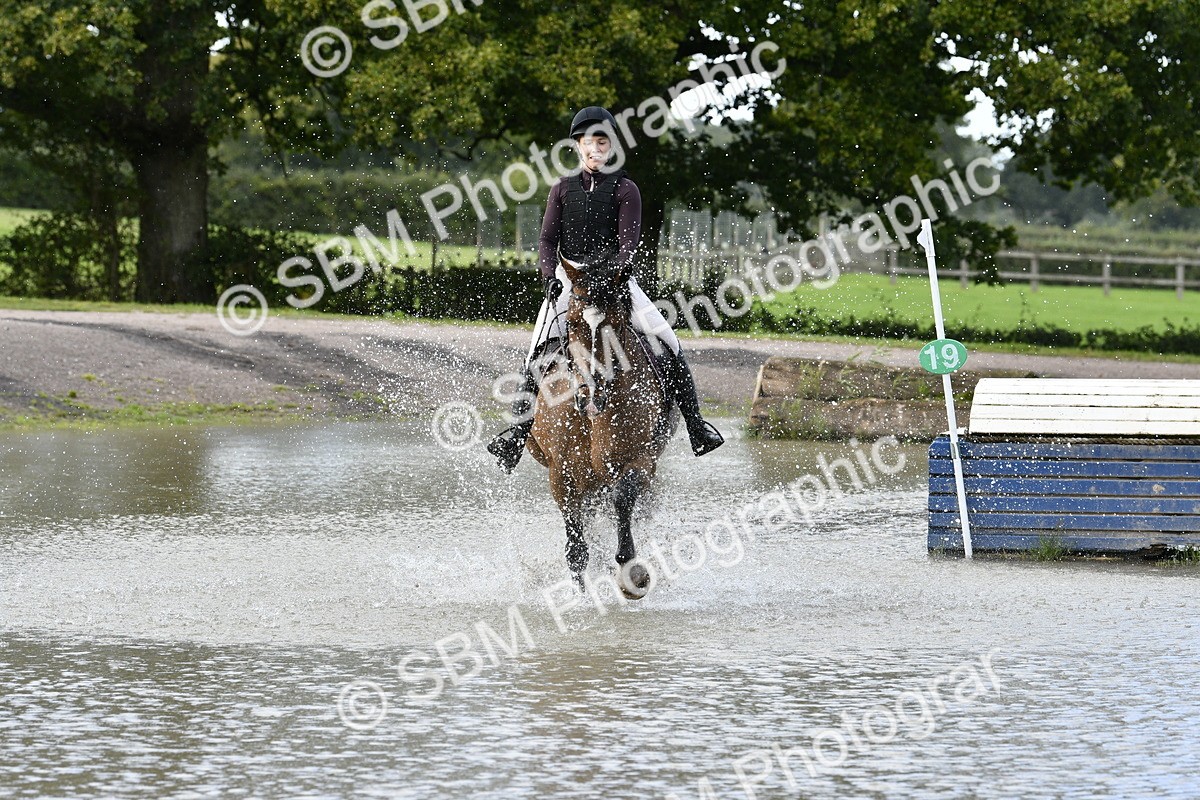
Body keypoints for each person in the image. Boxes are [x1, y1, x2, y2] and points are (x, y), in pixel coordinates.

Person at [487, 106, 724, 473]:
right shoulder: (561, 188)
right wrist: (550, 276)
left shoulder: (626, 189)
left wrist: (614, 271)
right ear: (577, 146)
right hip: (569, 281)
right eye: (588, 142)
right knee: (536, 351)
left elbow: (628, 244)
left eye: (602, 142)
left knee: (670, 341)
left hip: (614, 282)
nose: (595, 149)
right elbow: (548, 241)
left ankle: (696, 428)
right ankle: (516, 436)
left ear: (611, 146)